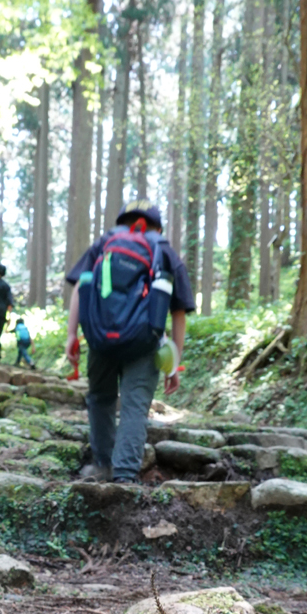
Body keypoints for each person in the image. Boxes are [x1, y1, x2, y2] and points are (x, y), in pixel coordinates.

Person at [65, 200, 195, 482]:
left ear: (123, 221)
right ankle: (124, 477)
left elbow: (80, 287)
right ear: (157, 226)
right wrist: (173, 363)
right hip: (144, 343)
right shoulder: (164, 250)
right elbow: (178, 311)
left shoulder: (105, 243)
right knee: (135, 405)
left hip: (100, 339)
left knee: (100, 399)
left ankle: (101, 466)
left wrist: (72, 335)